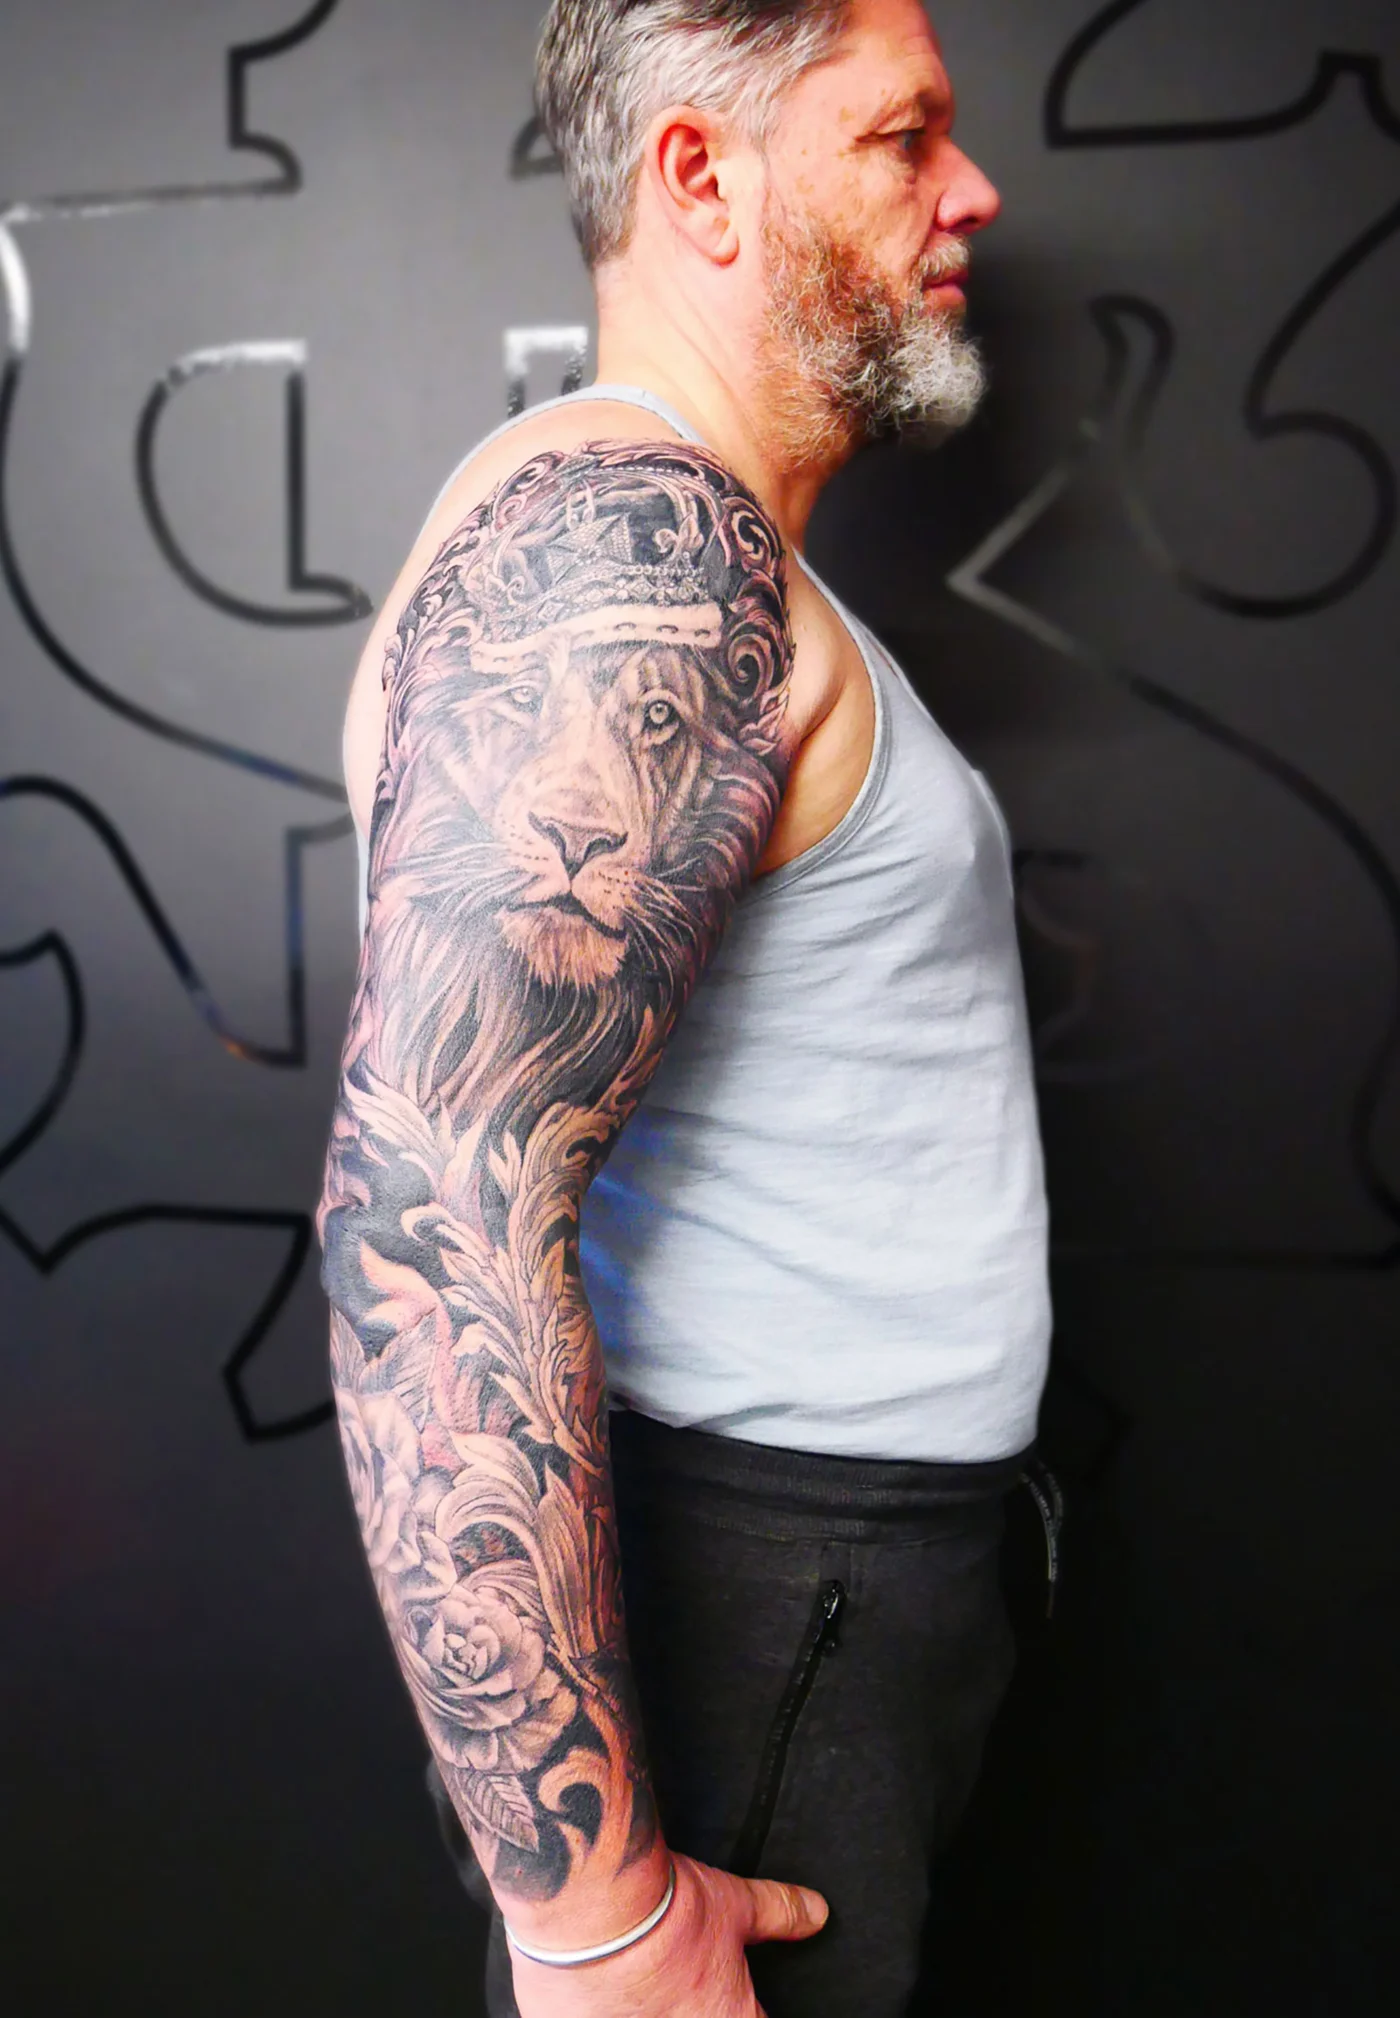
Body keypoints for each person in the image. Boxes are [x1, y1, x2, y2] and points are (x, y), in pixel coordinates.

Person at [318, 2, 1050, 2013]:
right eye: (903, 136)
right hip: (768, 1605)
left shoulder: (701, 550)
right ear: (702, 176)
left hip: (821, 1594)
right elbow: (437, 1201)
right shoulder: (626, 548)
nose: (972, 192)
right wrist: (602, 1922)